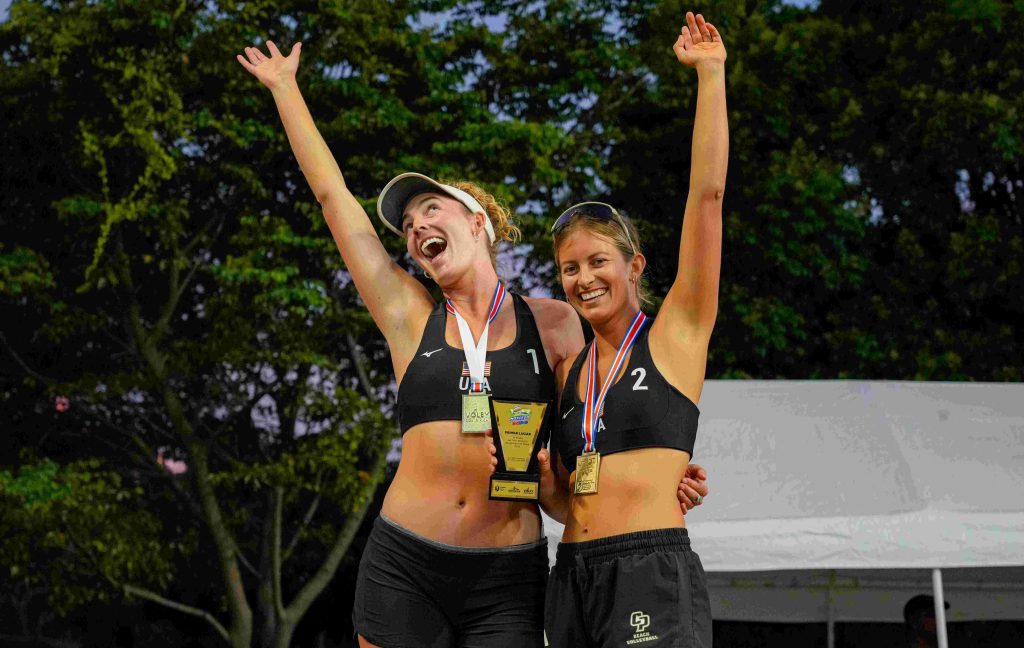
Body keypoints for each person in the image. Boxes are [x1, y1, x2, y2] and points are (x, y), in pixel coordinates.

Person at [236, 38, 710, 648]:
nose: (417, 228)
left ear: (476, 222)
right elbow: (334, 200)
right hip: (406, 561)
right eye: (409, 227)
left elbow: (597, 421)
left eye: (431, 210)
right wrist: (285, 90)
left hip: (507, 575)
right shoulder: (408, 315)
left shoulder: (555, 323)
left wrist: (661, 479)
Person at [510, 11, 728, 648]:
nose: (583, 279)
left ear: (634, 266)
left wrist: (710, 75)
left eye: (598, 261)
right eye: (569, 268)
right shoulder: (572, 372)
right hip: (572, 572)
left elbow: (707, 197)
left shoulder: (676, 334)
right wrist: (545, 485)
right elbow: (567, 504)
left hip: (648, 569)